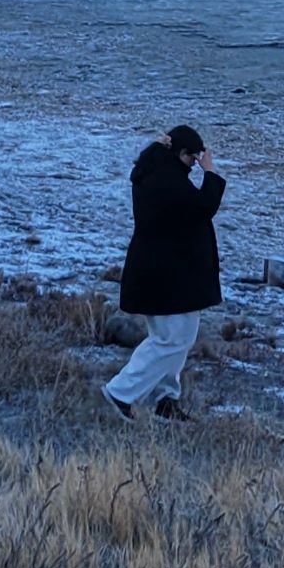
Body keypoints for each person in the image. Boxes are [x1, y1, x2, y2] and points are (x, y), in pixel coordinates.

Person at [107, 124, 225, 421]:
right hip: (166, 275)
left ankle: (165, 399)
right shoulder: (166, 180)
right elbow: (203, 207)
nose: (194, 166)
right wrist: (211, 173)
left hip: (166, 273)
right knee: (170, 339)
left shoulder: (156, 172)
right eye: (192, 159)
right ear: (180, 153)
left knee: (177, 335)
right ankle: (121, 392)